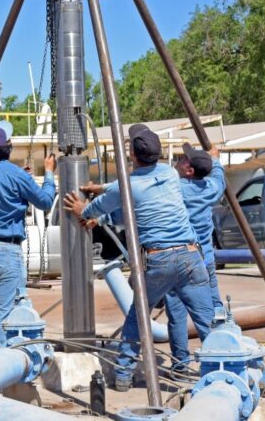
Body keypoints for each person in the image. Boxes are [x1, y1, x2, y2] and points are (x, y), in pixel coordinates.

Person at [63, 124, 214, 391]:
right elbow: (133, 195)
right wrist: (104, 191)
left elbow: (94, 208)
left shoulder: (127, 186)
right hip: (191, 257)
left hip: (159, 261)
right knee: (208, 322)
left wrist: (83, 208)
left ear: (131, 154)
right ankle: (223, 371)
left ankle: (123, 376)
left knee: (137, 318)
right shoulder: (169, 174)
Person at [0, 123, 56, 359]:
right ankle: (3, 367)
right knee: (5, 315)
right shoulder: (15, 174)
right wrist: (48, 173)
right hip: (5, 251)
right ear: (8, 148)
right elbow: (45, 201)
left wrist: (19, 179)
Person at [164, 143, 226, 372]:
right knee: (213, 310)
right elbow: (220, 179)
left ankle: (181, 365)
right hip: (206, 259)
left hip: (181, 259)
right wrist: (216, 159)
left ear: (189, 171)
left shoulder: (176, 188)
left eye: (183, 159)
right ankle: (220, 360)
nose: (179, 159)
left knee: (178, 315)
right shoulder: (210, 188)